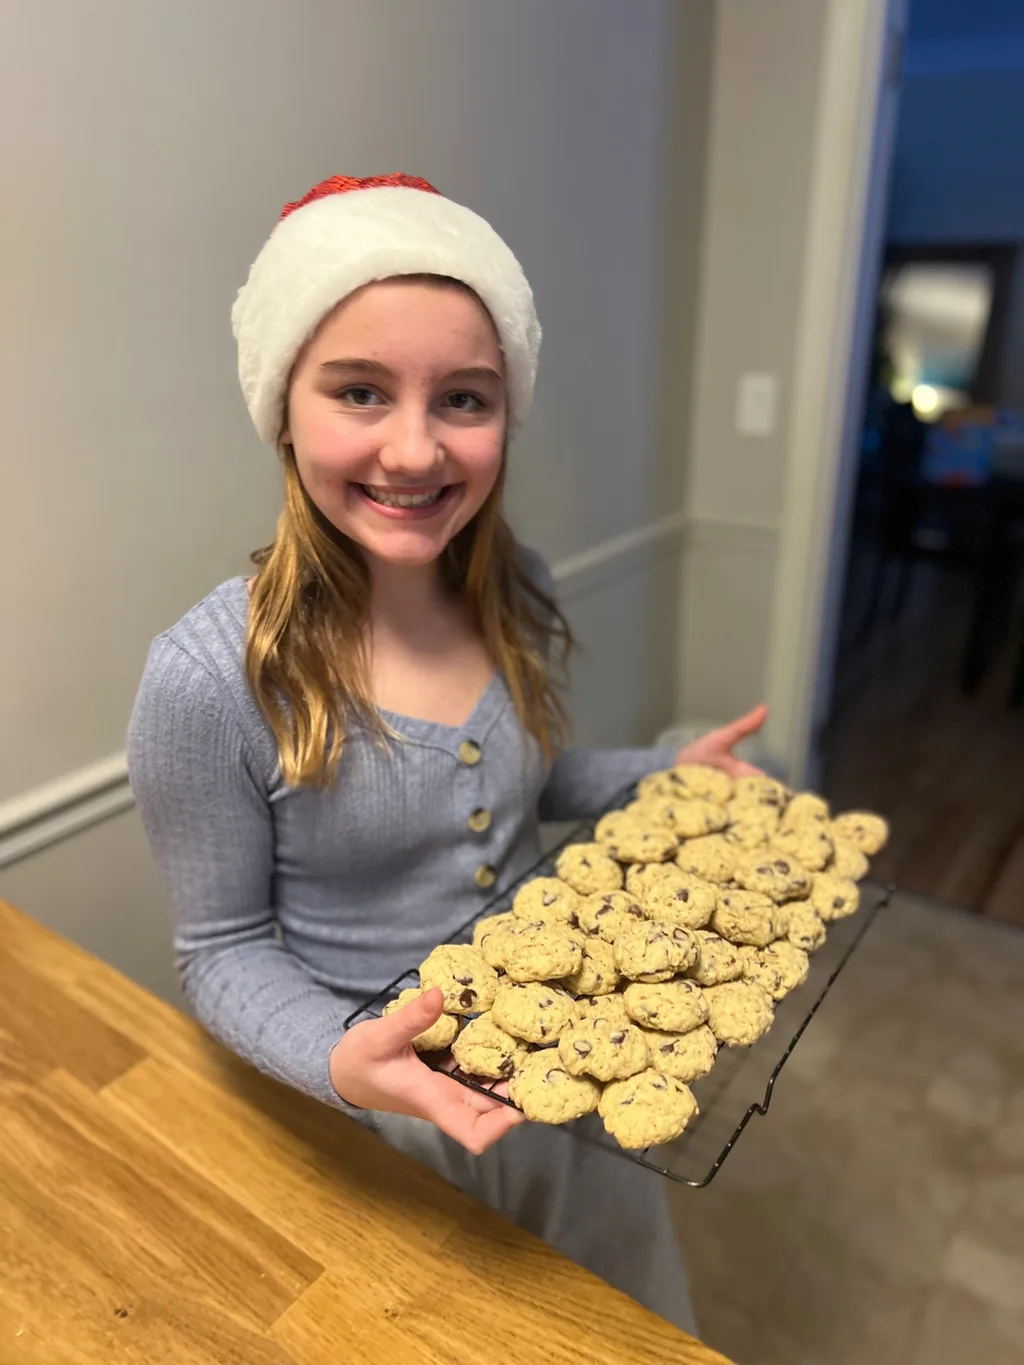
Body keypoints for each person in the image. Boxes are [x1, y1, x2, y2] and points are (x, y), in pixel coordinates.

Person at [127, 172, 767, 1333]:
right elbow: (219, 949)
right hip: (382, 1119)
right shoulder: (210, 681)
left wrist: (655, 779)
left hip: (567, 1054)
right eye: (359, 391)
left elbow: (519, 796)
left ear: (506, 413)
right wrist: (341, 1059)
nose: (414, 450)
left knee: (621, 1322)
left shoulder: (515, 590)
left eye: (463, 399)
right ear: (283, 409)